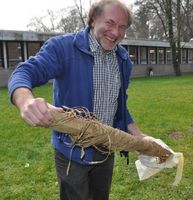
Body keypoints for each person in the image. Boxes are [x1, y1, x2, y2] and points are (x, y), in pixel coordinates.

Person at [8, 0, 145, 199]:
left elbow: (119, 106)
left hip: (106, 150)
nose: (116, 32)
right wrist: (24, 100)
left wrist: (139, 136)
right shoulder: (63, 48)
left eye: (122, 27)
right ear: (92, 20)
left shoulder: (123, 60)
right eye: (110, 23)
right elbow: (24, 72)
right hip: (71, 152)